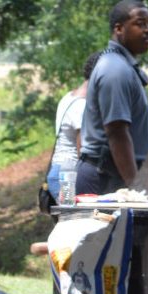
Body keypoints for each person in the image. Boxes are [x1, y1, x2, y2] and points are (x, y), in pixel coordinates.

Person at [74, 0, 148, 195]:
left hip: (116, 174)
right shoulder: (115, 69)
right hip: (106, 177)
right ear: (119, 29)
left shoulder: (123, 65)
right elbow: (117, 133)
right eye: (140, 23)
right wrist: (135, 187)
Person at [46, 51, 103, 200]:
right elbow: (81, 148)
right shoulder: (82, 106)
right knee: (72, 217)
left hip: (59, 169)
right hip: (67, 175)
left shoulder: (69, 97)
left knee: (69, 217)